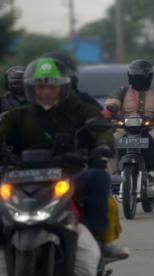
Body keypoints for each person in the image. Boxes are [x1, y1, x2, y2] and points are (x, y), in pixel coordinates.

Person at [0, 57, 126, 274]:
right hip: (21, 179)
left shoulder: (81, 110)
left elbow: (102, 131)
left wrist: (103, 146)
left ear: (63, 87)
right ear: (32, 89)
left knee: (99, 178)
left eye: (52, 86)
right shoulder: (16, 116)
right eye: (41, 86)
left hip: (70, 176)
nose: (46, 91)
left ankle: (99, 240)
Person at [103, 59, 154, 193]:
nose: (139, 79)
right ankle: (114, 177)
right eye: (136, 77)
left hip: (152, 126)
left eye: (141, 77)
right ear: (130, 77)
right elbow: (110, 104)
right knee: (111, 142)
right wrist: (108, 115)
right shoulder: (121, 91)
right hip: (124, 127)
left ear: (149, 77)